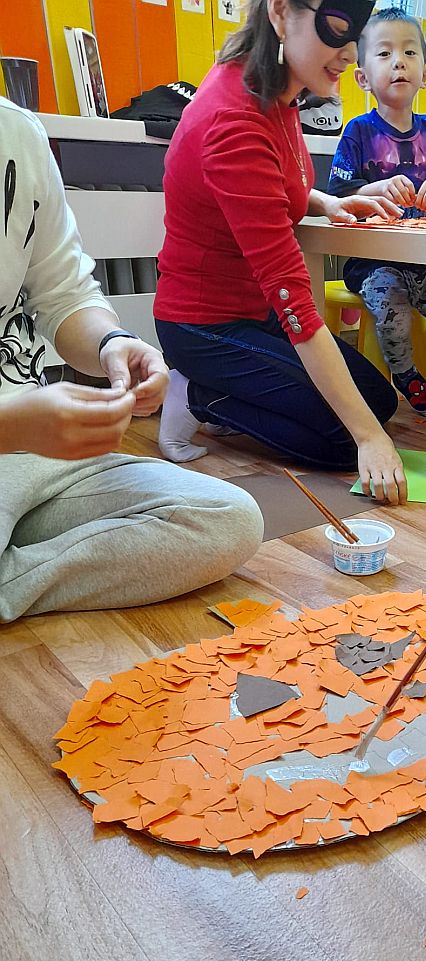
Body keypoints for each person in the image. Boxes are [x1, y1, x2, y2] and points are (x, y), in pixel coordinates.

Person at [0, 96, 264, 623]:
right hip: (18, 431)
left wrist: (111, 343)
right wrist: (11, 425)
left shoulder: (18, 133)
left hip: (33, 456)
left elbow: (64, 294)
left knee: (227, 516)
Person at [154, 0, 409, 504]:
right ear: (279, 12)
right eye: (337, 28)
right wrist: (369, 440)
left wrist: (326, 200)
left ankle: (230, 394)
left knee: (378, 401)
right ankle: (198, 394)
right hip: (203, 326)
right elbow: (296, 306)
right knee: (348, 439)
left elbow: (267, 186)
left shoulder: (277, 89)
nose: (350, 53)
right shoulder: (234, 120)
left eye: (357, 35)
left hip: (254, 313)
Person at [327, 8, 426, 426]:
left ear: (425, 75)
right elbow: (339, 193)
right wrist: (375, 190)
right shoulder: (358, 131)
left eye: (409, 52)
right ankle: (406, 375)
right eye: (384, 54)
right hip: (373, 263)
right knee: (391, 311)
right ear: (362, 78)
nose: (398, 62)